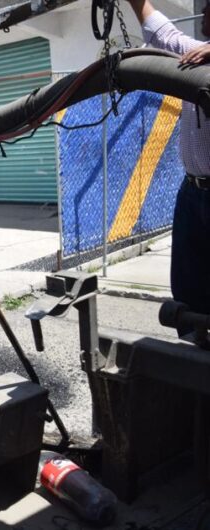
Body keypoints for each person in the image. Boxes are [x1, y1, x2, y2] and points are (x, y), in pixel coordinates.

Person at [127, 0, 210, 335]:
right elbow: (162, 33)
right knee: (189, 285)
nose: (204, 10)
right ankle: (193, 346)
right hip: (192, 191)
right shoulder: (195, 55)